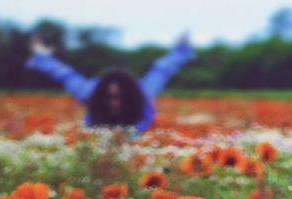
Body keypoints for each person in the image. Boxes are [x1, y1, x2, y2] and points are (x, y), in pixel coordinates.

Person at [26, 34, 194, 133]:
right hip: (95, 96)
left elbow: (162, 71)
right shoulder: (89, 93)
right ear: (101, 97)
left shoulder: (143, 95)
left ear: (130, 97)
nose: (115, 102)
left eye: (120, 97)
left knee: (160, 71)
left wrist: (181, 51)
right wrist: (41, 57)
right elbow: (65, 75)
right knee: (68, 77)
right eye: (110, 97)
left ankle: (182, 50)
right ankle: (41, 56)